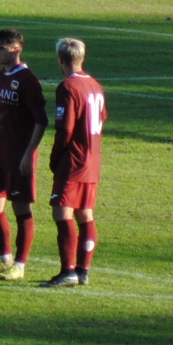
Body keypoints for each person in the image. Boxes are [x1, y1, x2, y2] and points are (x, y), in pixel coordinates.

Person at [0, 28, 47, 281]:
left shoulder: (27, 79)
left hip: (19, 156)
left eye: (2, 48)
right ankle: (5, 259)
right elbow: (2, 107)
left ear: (16, 49)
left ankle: (20, 264)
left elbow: (41, 121)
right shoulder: (1, 77)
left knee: (20, 208)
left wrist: (29, 154)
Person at [44, 38, 107, 288]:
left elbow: (65, 127)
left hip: (73, 159)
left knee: (62, 213)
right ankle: (82, 270)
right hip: (93, 159)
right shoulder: (96, 85)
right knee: (85, 213)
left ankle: (67, 271)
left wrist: (55, 157)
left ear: (61, 59)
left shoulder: (67, 87)